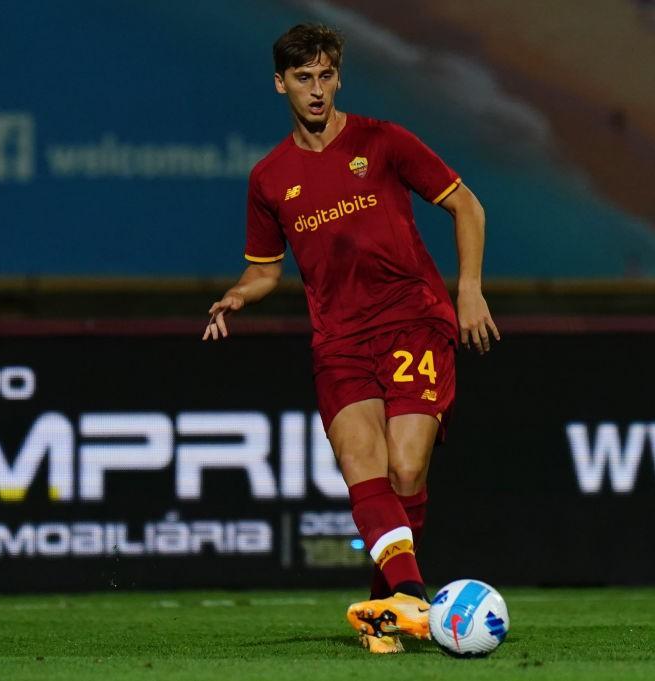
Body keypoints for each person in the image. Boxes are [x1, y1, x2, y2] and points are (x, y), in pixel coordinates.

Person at [202, 23, 498, 653]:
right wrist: (238, 295)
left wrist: (468, 289)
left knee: (406, 468)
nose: (317, 89)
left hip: (412, 320)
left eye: (326, 74)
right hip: (338, 341)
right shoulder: (270, 178)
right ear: (281, 84)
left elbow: (467, 204)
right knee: (363, 465)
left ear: (338, 76)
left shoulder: (382, 141)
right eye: (303, 77)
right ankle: (408, 602)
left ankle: (390, 602)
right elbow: (264, 269)